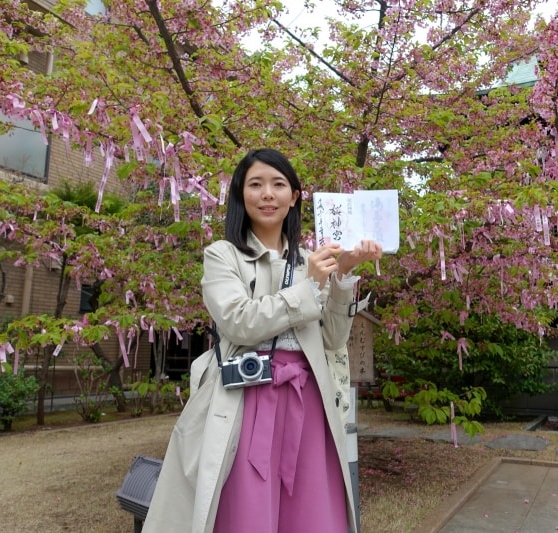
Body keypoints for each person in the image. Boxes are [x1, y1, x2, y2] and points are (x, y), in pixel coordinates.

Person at [143, 148, 382, 533]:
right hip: (246, 400)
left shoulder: (311, 259)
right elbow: (239, 323)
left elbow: (333, 338)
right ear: (241, 194)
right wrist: (310, 286)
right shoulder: (223, 256)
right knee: (248, 513)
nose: (267, 194)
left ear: (295, 197)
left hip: (307, 402)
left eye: (278, 184)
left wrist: (343, 276)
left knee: (309, 513)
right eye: (255, 184)